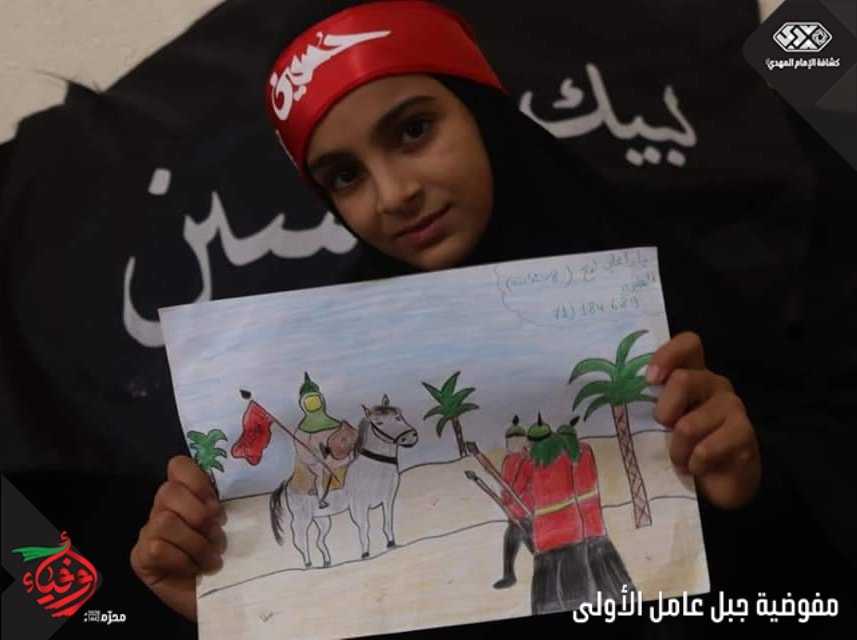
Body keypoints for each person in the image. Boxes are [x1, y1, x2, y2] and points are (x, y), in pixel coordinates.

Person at [131, 0, 766, 632]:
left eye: (413, 131)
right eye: (346, 176)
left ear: (482, 112)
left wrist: (746, 489)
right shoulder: (317, 358)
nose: (394, 195)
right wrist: (230, 605)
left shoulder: (664, 299)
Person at [494, 415, 534, 589]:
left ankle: (550, 571)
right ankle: (509, 575)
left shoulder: (529, 460)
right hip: (513, 513)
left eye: (515, 440)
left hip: (526, 511)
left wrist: (522, 503)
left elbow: (532, 485)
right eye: (509, 441)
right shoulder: (508, 461)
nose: (511, 444)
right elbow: (504, 484)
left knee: (533, 546)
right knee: (512, 540)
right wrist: (506, 502)